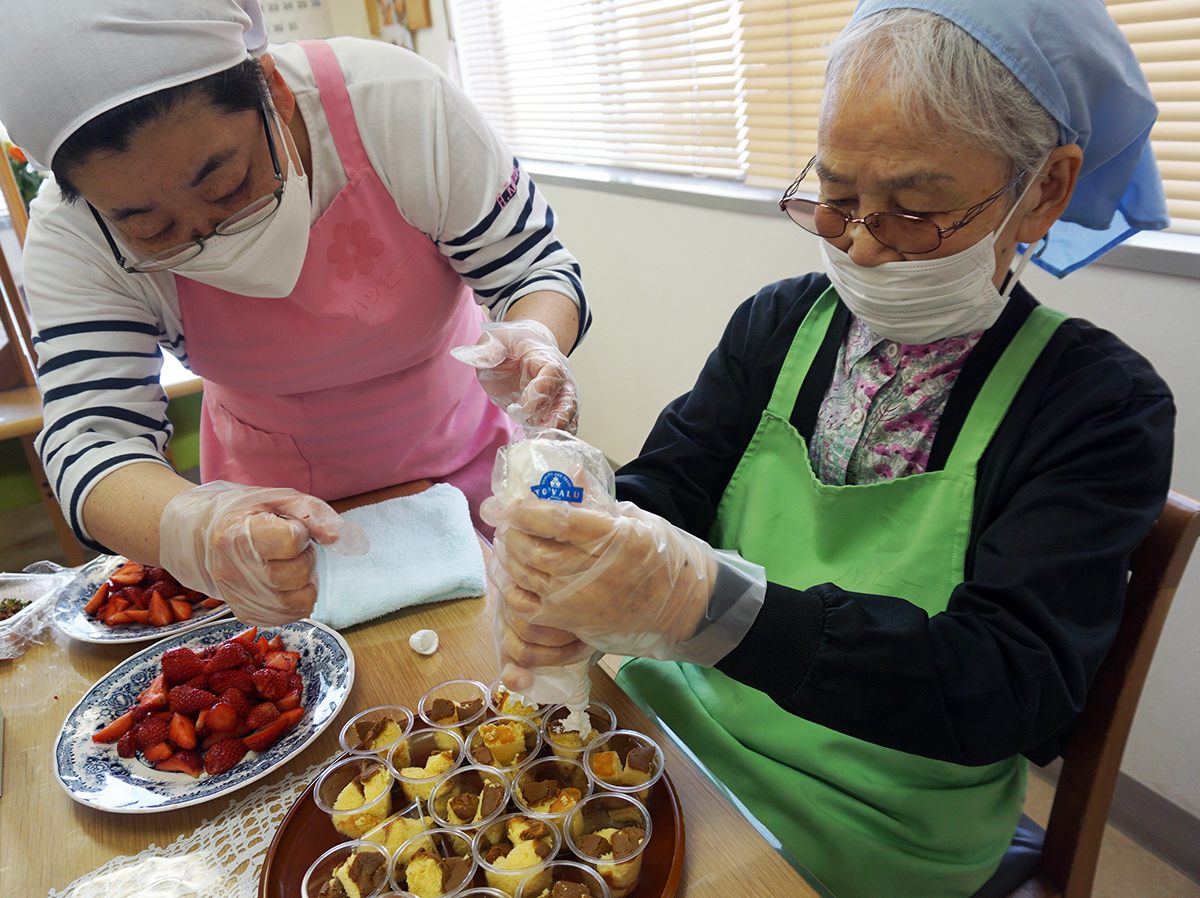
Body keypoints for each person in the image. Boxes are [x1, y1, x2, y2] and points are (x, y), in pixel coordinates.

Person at [484, 2, 1175, 897]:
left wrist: (711, 603)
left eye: (913, 212)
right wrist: (581, 513)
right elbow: (675, 485)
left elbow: (1009, 688)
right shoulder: (781, 322)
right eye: (838, 199)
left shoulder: (1097, 406)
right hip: (693, 727)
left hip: (883, 815)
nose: (859, 244)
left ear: (1044, 189)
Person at [0, 0, 590, 626]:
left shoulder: (395, 104)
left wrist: (531, 335)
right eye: (149, 225)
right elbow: (90, 439)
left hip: (470, 474)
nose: (208, 235)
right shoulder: (76, 234)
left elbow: (531, 267)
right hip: (274, 531)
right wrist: (196, 530)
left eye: (226, 185)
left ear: (273, 91)